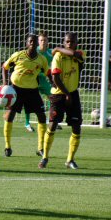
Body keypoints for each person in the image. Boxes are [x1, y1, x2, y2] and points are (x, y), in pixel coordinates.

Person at [38, 32, 85, 169]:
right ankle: (45, 157)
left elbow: (75, 54)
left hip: (73, 94)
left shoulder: (80, 55)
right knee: (52, 124)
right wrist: (66, 94)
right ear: (64, 43)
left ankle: (70, 160)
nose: (70, 44)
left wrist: (57, 48)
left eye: (72, 42)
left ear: (77, 43)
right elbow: (56, 78)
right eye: (67, 42)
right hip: (58, 95)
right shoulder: (58, 57)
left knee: (76, 127)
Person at [2, 34, 49, 158]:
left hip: (32, 90)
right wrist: (5, 84)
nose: (32, 43)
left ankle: (40, 148)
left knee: (42, 116)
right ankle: (7, 146)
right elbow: (5, 67)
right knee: (10, 115)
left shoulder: (41, 59)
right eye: (30, 41)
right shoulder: (18, 55)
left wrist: (54, 84)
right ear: (27, 43)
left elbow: (48, 72)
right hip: (16, 89)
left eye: (34, 41)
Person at [23, 32, 62, 133]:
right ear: (38, 42)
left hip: (45, 81)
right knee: (28, 101)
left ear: (48, 41)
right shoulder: (33, 52)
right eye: (41, 40)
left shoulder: (50, 53)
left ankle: (52, 121)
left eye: (45, 40)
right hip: (33, 80)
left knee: (53, 98)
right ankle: (27, 123)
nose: (43, 42)